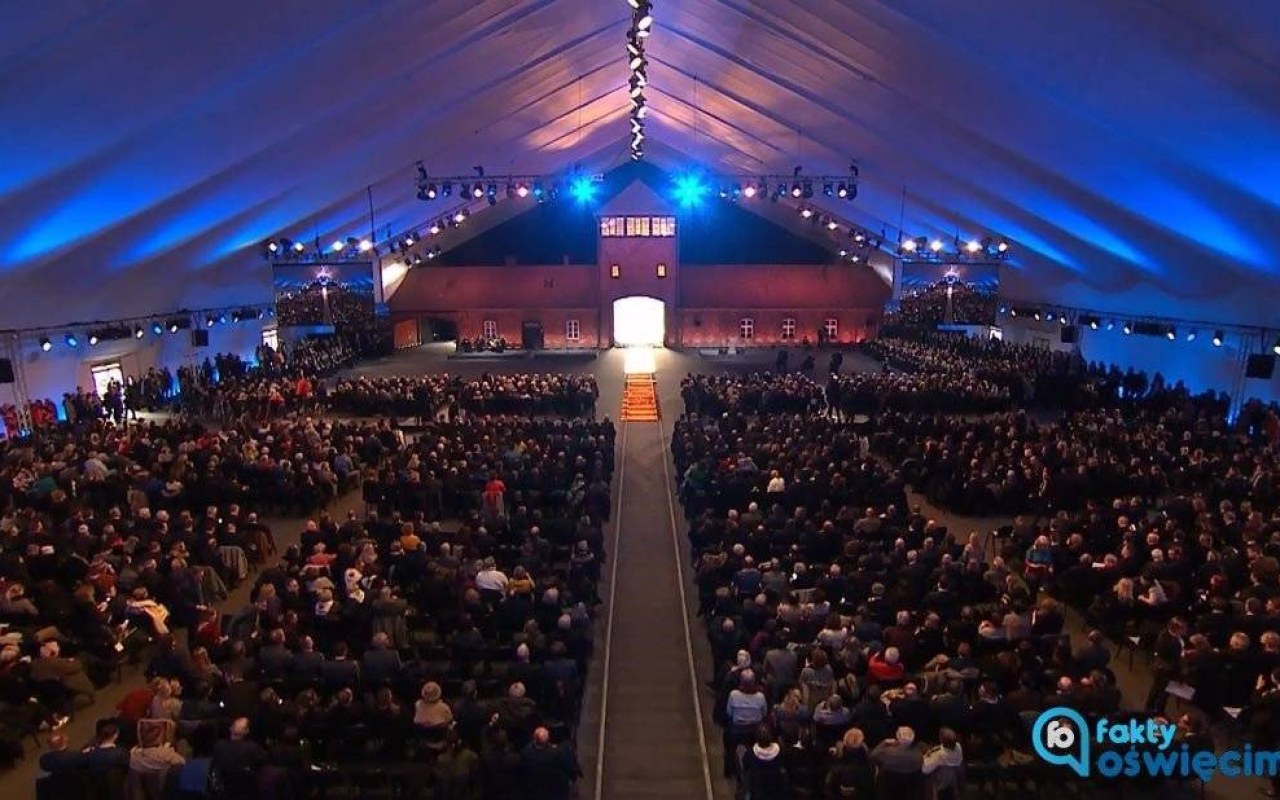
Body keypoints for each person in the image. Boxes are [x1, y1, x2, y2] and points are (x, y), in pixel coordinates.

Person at [520, 726, 579, 800]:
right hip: (553, 792)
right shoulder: (556, 754)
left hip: (534, 792)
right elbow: (568, 770)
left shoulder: (526, 753)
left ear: (534, 739)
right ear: (548, 740)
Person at [740, 726, 789, 800]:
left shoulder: (750, 754)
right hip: (777, 793)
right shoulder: (781, 753)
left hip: (758, 794)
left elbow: (745, 767)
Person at [921, 728, 964, 800]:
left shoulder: (939, 755)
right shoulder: (958, 747)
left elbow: (925, 770)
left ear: (941, 740)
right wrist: (936, 748)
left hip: (940, 783)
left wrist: (926, 756)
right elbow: (947, 747)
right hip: (953, 780)